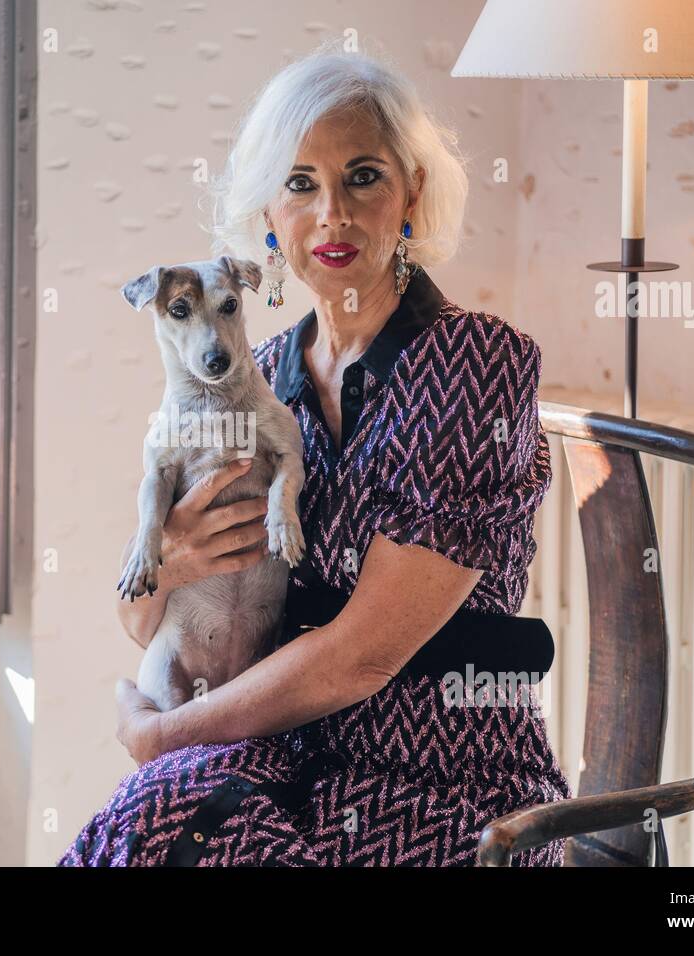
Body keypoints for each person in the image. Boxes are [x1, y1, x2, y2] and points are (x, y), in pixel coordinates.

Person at [58, 43, 571, 866]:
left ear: (413, 192)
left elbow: (363, 656)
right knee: (146, 826)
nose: (331, 212)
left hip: (441, 778)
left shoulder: (477, 364)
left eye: (362, 175)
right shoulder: (266, 382)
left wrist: (160, 736)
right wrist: (177, 559)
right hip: (290, 750)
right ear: (269, 216)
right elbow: (142, 618)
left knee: (166, 815)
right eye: (300, 184)